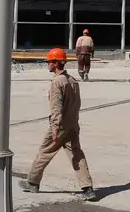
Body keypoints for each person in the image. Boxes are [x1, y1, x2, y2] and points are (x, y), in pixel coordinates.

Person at [20, 47, 97, 201]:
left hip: (60, 125)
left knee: (45, 151)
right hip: (73, 124)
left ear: (56, 63)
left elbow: (56, 108)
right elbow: (77, 104)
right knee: (76, 154)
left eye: (49, 62)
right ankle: (88, 188)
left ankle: (32, 182)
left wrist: (55, 128)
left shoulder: (57, 82)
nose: (47, 64)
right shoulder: (72, 80)